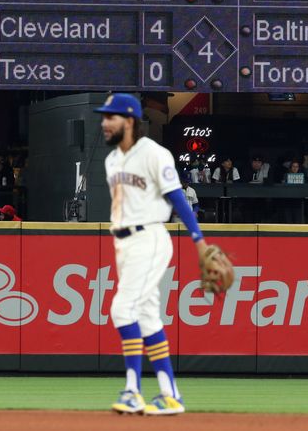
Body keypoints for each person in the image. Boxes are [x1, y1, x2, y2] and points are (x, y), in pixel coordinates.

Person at [95, 93, 211, 416]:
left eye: (111, 117)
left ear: (129, 121)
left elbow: (177, 197)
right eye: (104, 117)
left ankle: (132, 390)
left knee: (121, 308)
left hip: (149, 237)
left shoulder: (154, 154)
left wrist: (198, 240)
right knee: (146, 316)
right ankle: (170, 393)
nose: (104, 123)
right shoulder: (111, 161)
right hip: (124, 242)